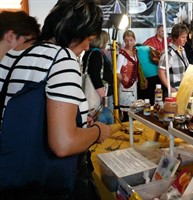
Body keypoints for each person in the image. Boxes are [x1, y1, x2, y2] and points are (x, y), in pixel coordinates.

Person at [0, 0, 110, 199]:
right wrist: (98, 131)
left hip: (11, 177)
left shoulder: (11, 55)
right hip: (47, 185)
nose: (87, 46)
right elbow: (63, 143)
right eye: (88, 38)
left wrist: (79, 121)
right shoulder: (62, 58)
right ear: (75, 32)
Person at [82, 30, 114, 124]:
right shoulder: (96, 54)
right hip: (100, 97)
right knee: (104, 123)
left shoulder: (89, 53)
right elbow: (95, 75)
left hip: (96, 94)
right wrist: (103, 96)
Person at [117, 30, 146, 121]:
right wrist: (124, 81)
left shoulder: (134, 52)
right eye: (126, 41)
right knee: (127, 111)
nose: (129, 43)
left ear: (134, 40)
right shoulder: (122, 55)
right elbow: (117, 72)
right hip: (125, 86)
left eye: (131, 40)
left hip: (134, 85)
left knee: (134, 109)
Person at [158, 23, 189, 96]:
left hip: (183, 89)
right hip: (174, 91)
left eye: (186, 37)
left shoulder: (182, 50)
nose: (185, 40)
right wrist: (171, 89)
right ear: (175, 38)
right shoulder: (169, 53)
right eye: (183, 37)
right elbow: (161, 72)